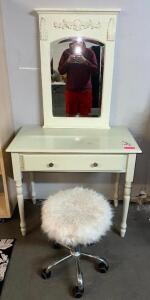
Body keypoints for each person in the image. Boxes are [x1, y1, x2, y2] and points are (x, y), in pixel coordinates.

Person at [58, 39, 98, 116]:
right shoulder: (66, 52)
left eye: (79, 41)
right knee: (70, 115)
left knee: (85, 115)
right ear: (72, 42)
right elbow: (61, 71)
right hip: (71, 90)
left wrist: (85, 61)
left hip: (85, 90)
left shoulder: (89, 52)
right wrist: (67, 62)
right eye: (75, 41)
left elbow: (95, 71)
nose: (77, 44)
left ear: (83, 41)